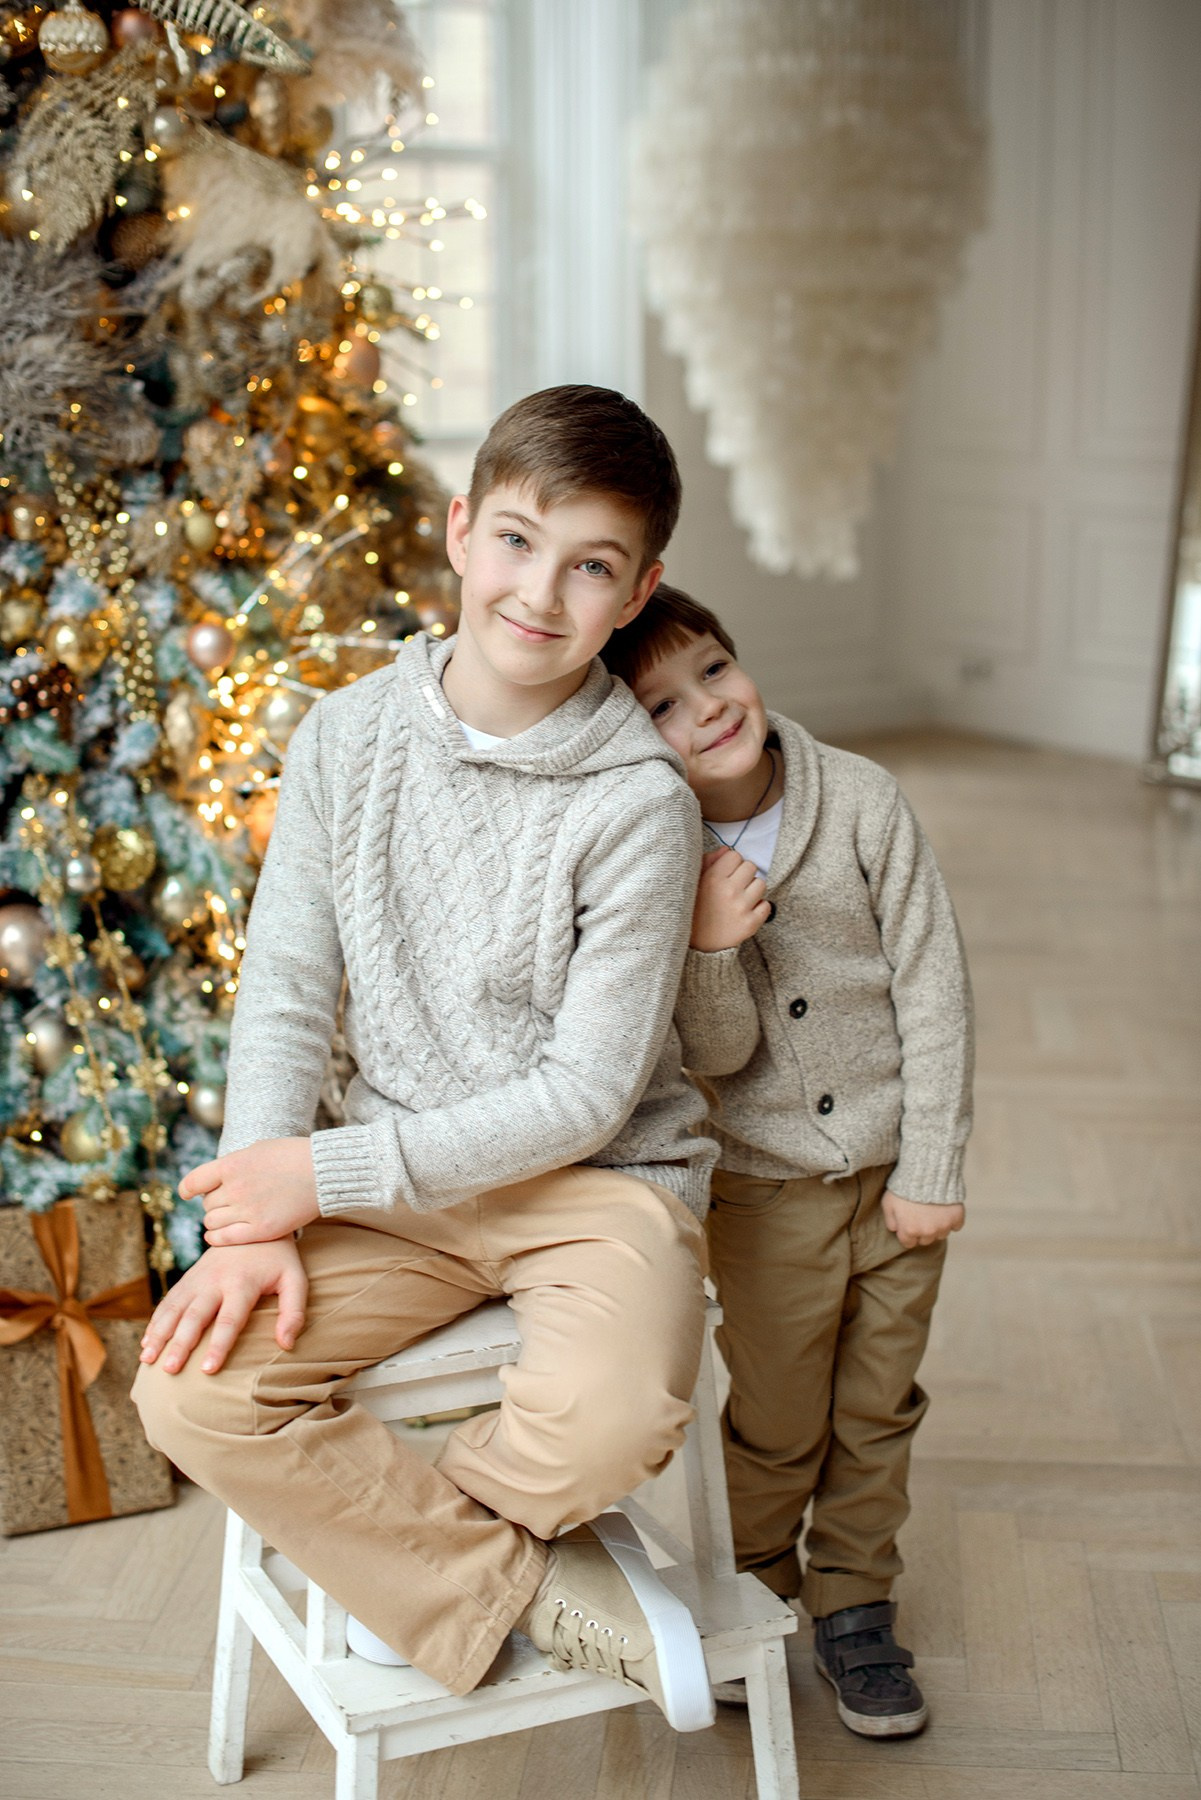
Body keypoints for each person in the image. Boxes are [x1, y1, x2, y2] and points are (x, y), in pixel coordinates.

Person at [132, 388, 720, 1733]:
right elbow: (287, 987)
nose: (539, 592)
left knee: (616, 1414)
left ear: (639, 591)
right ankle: (511, 1587)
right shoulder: (344, 739)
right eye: (516, 540)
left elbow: (585, 1095)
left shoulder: (637, 803)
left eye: (590, 566)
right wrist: (251, 1225)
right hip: (391, 1183)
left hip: (595, 1183)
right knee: (188, 1390)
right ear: (458, 532)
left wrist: (324, 1168)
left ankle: (419, 1561)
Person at [602, 584, 974, 1739]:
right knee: (776, 1417)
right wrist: (712, 946)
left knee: (877, 1405)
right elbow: (711, 1056)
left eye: (712, 670)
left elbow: (935, 990)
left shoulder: (861, 801)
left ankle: (856, 1604)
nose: (706, 708)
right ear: (630, 735)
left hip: (895, 1182)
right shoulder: (654, 852)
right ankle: (755, 1586)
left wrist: (933, 1165)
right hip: (763, 1198)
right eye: (663, 704)